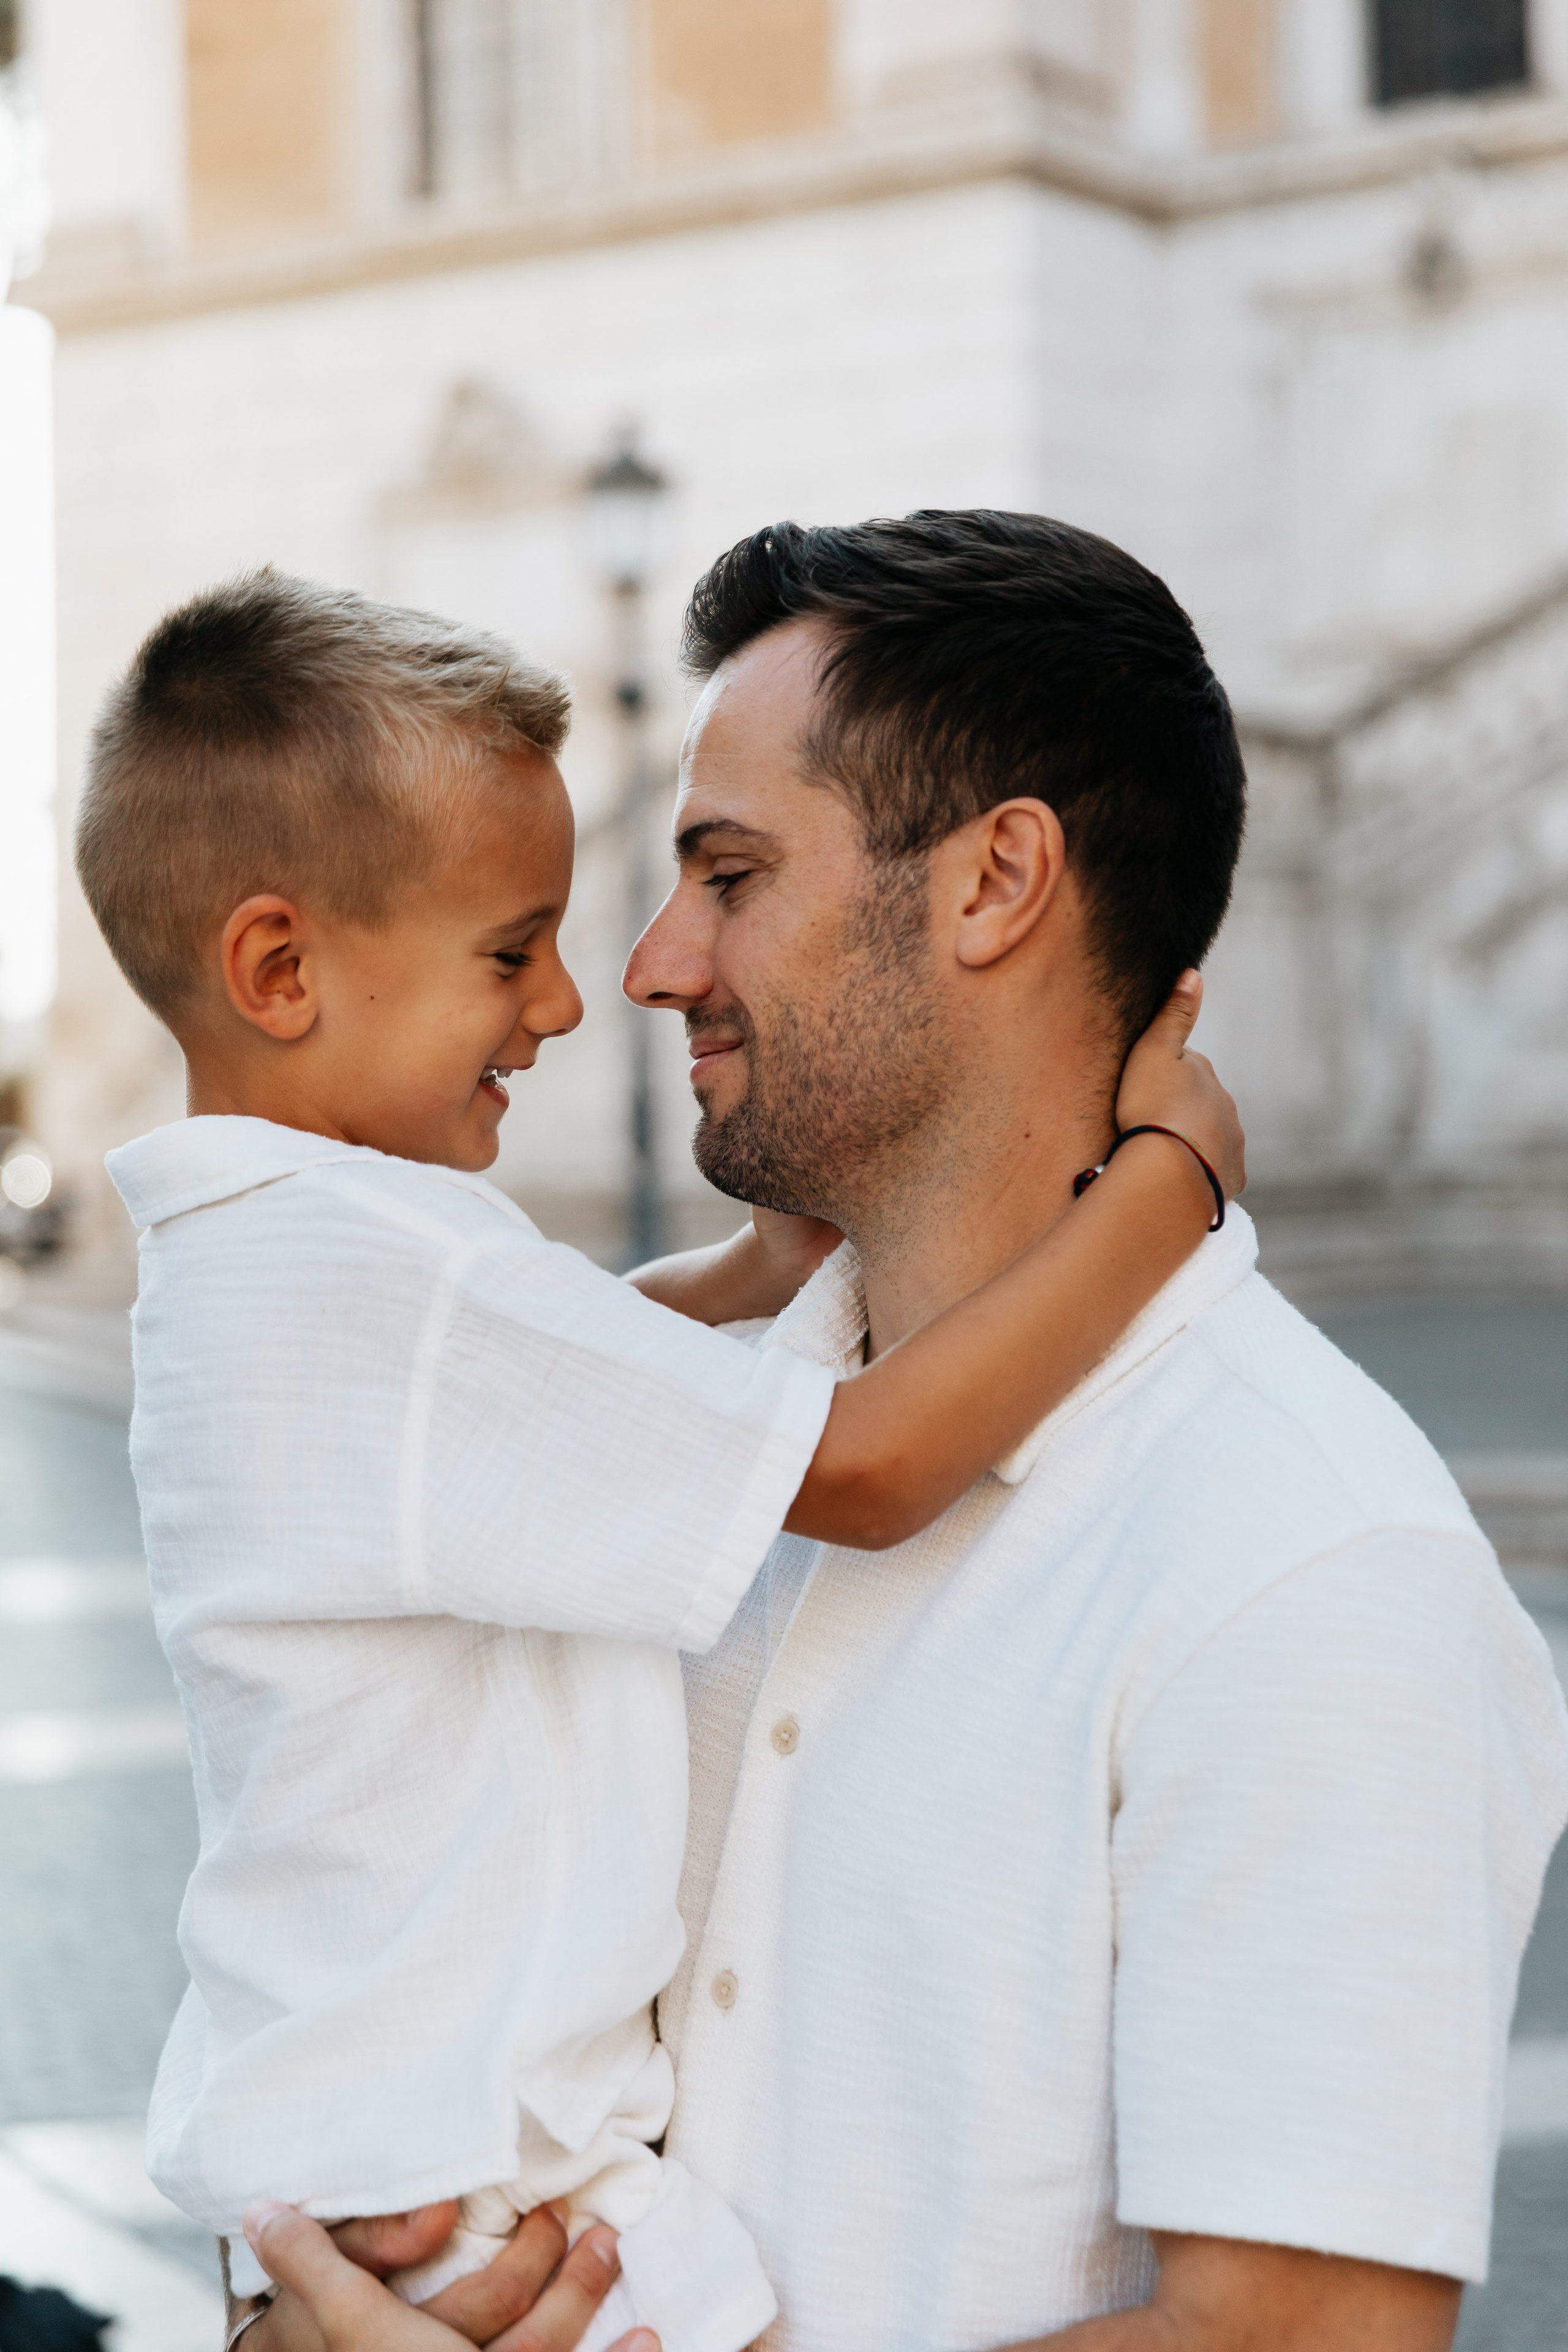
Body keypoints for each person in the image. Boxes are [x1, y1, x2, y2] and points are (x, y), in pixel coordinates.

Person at [257, 511, 1568, 2352]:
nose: (649, 965)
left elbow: (1302, 2339)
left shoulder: (1313, 1563)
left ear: (993, 883)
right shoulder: (675, 1459)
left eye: (726, 873)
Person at [75, 573, 1242, 2351]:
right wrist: (1171, 1180)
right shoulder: (389, 1280)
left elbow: (576, 1358)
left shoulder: (276, 1260)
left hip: (363, 2143)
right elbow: (867, 1468)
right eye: (506, 948)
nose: (570, 998)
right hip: (481, 2179)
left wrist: (792, 1249)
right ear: (280, 969)